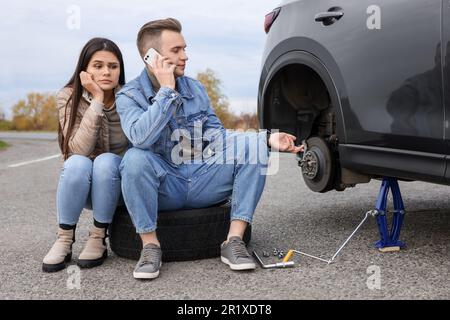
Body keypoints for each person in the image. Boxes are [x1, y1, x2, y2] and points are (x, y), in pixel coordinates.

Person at [116, 18, 303, 279]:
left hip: (201, 178)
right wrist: (167, 91)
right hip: (164, 186)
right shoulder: (129, 96)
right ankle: (150, 246)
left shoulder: (195, 88)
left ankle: (233, 241)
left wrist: (266, 140)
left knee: (255, 146)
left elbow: (217, 136)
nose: (185, 56)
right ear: (152, 57)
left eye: (185, 48)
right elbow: (140, 138)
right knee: (134, 159)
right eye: (176, 50)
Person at [42, 38, 128, 272]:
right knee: (77, 163)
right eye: (98, 66)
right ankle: (64, 239)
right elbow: (78, 150)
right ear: (85, 70)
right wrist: (97, 100)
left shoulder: (130, 99)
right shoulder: (68, 96)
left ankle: (98, 236)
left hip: (118, 186)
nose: (106, 72)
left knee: (107, 161)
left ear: (120, 70)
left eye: (113, 66)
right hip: (84, 188)